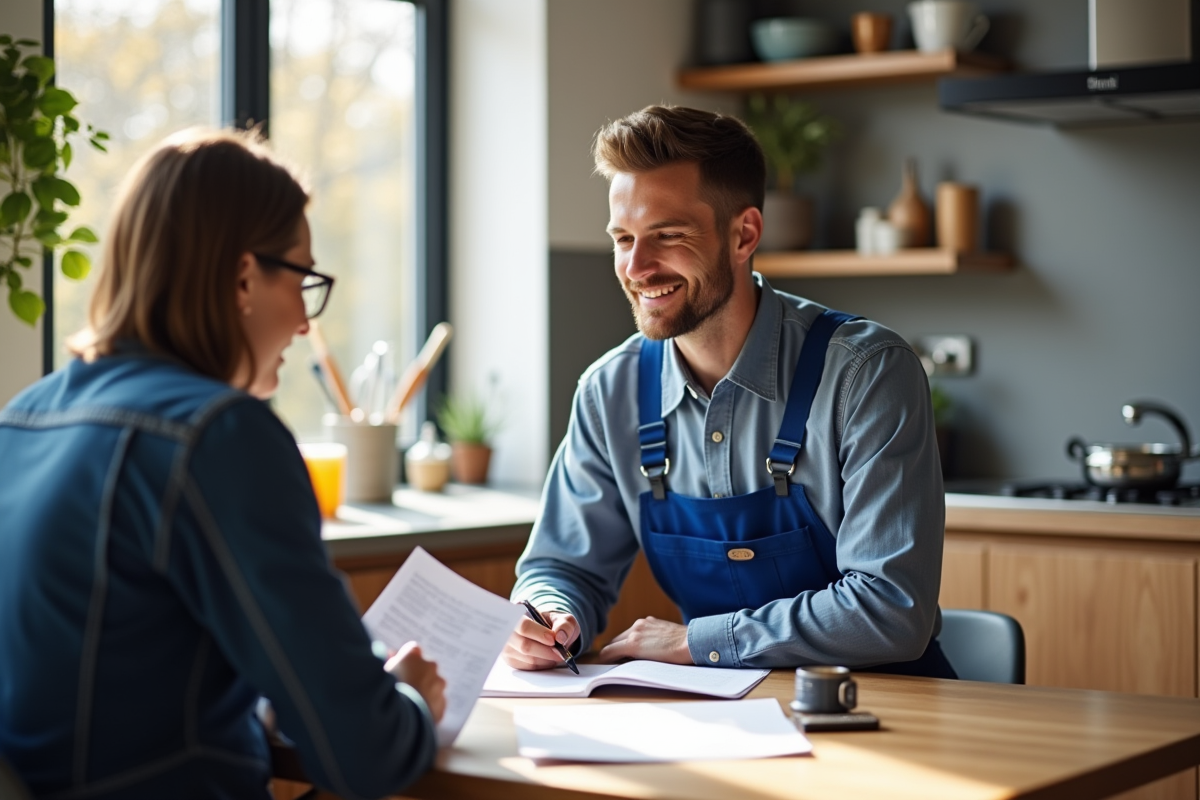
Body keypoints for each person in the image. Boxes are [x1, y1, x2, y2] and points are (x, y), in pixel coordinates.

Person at [0, 129, 446, 799]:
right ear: (244, 276)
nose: (304, 321)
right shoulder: (221, 436)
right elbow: (364, 752)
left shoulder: (25, 415)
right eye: (304, 279)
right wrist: (406, 700)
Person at [503, 105, 955, 679]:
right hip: (727, 718)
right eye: (623, 238)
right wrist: (547, 613)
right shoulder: (608, 390)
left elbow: (891, 609)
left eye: (667, 236)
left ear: (744, 235)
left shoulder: (866, 373)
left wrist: (696, 642)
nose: (637, 267)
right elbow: (562, 566)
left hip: (891, 711)